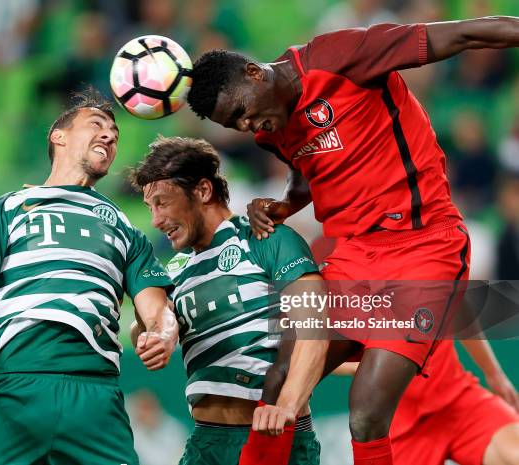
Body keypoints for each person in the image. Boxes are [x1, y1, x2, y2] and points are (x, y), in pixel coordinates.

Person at [186, 16, 519, 465]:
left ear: (253, 72)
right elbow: (311, 169)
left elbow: (460, 35)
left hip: (424, 245)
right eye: (234, 123)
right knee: (276, 380)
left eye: (241, 111)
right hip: (358, 256)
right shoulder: (272, 128)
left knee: (365, 413)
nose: (246, 126)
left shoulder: (339, 58)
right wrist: (285, 205)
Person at [0, 89, 178, 465]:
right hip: (16, 390)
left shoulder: (126, 230)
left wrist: (163, 334)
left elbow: (158, 309)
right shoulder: (3, 212)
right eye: (97, 125)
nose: (109, 136)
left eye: (115, 134)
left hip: (96, 400)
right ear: (59, 136)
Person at [129, 135, 323, 465]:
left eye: (163, 203)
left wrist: (289, 402)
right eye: (150, 208)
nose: (156, 221)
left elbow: (313, 326)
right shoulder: (176, 269)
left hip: (274, 437)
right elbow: (149, 325)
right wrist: (149, 335)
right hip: (206, 443)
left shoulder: (266, 239)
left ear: (203, 191)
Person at [336, 340, 519, 465]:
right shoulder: (348, 291)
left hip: (458, 398)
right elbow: (313, 347)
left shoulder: (434, 283)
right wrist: (368, 367)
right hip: (398, 428)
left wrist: (494, 373)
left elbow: (460, 309)